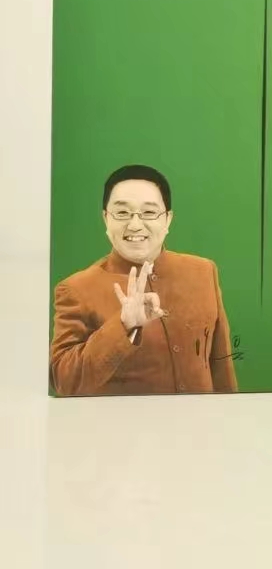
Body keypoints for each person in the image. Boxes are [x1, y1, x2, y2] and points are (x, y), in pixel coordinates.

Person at [50, 164, 237, 396]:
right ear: (106, 219)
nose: (135, 225)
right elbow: (63, 381)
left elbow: (221, 364)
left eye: (149, 212)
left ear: (168, 220)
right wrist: (124, 327)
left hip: (202, 419)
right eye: (122, 213)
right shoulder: (76, 289)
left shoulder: (203, 271)